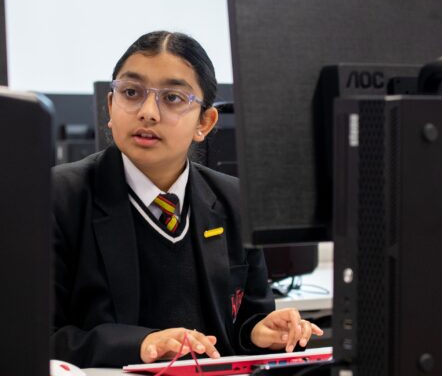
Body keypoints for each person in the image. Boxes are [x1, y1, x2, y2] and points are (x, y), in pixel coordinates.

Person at [51, 31, 323, 368]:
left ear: (205, 123)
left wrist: (258, 332)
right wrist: (142, 344)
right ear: (110, 106)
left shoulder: (233, 201)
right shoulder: (59, 197)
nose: (148, 112)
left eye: (173, 98)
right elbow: (40, 336)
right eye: (131, 93)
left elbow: (244, 322)